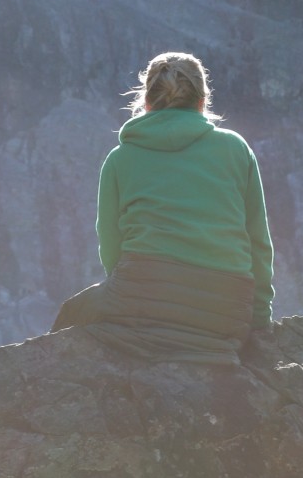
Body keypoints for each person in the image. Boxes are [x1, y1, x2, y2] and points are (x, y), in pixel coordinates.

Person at [51, 51, 275, 364]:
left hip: (142, 299)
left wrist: (136, 293)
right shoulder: (235, 148)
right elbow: (258, 243)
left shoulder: (120, 158)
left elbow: (111, 247)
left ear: (147, 102)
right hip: (227, 311)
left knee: (71, 316)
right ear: (202, 101)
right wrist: (258, 319)